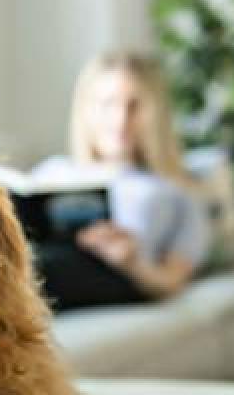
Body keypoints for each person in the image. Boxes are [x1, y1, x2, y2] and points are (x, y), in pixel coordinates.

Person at [32, 50, 210, 311]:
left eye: (134, 105)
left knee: (37, 266)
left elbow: (171, 280)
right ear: (86, 110)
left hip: (112, 275)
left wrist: (131, 262)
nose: (120, 120)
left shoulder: (174, 190)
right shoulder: (52, 171)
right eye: (108, 104)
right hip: (30, 260)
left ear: (155, 114)